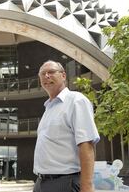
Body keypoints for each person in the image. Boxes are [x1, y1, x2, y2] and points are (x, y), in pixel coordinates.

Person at [33, 60, 100, 192]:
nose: (46, 76)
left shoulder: (76, 101)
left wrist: (86, 187)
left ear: (63, 75)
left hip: (65, 183)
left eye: (51, 72)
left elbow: (86, 145)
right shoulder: (48, 108)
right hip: (41, 183)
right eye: (42, 74)